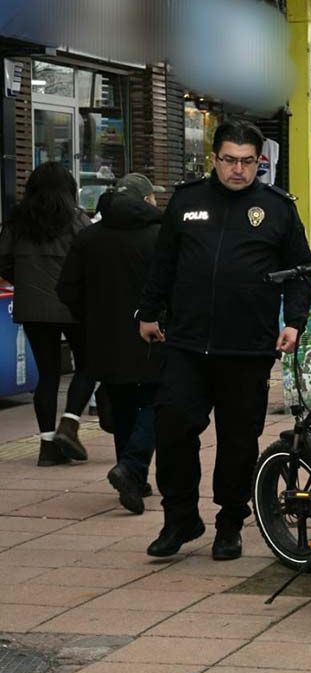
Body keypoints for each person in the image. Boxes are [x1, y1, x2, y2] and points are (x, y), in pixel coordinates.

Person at [137, 120, 311, 559]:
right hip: (186, 343)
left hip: (247, 348)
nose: (238, 170)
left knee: (237, 441)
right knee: (173, 428)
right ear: (214, 158)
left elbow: (301, 273)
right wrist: (148, 312)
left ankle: (230, 523)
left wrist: (294, 321)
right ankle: (180, 518)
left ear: (259, 162)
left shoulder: (277, 208)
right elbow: (163, 262)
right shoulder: (187, 200)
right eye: (230, 160)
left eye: (248, 162)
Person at [57, 175, 165, 514]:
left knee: (122, 404)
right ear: (145, 200)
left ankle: (131, 474)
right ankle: (132, 468)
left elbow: (66, 289)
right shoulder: (160, 236)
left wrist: (90, 317)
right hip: (153, 333)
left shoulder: (89, 237)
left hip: (104, 336)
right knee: (157, 401)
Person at [0, 162, 94, 466]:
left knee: (48, 374)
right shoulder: (77, 220)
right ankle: (69, 423)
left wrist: (25, 282)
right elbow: (92, 258)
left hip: (33, 307)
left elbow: (3, 262)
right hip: (73, 304)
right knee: (89, 363)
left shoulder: (16, 222)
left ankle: (47, 446)